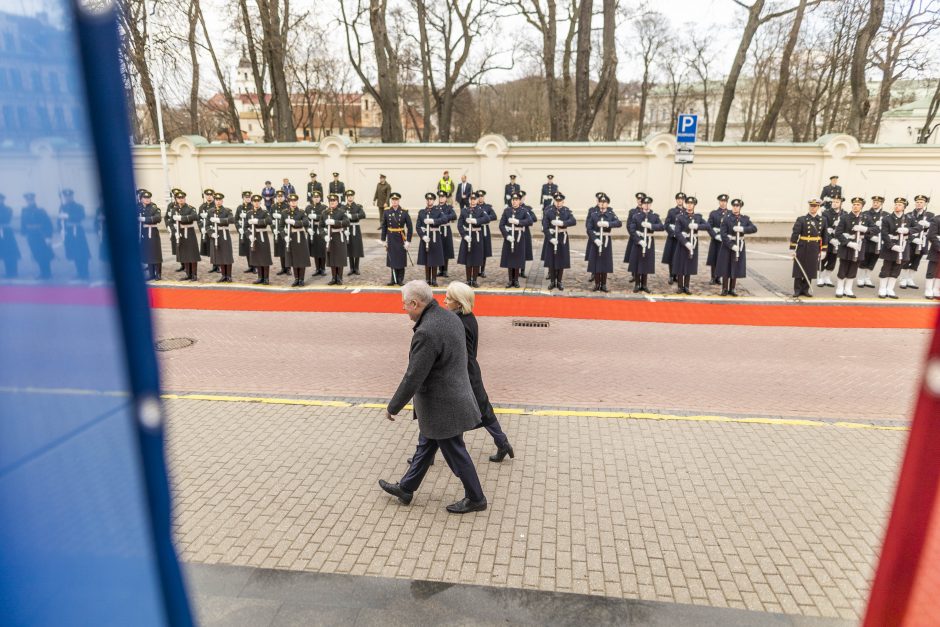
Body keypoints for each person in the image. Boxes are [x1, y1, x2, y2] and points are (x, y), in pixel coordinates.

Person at [378, 280, 488, 514]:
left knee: (455, 452)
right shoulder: (449, 317)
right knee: (427, 444)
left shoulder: (427, 332)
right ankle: (406, 488)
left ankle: (476, 497)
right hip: (454, 395)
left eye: (405, 305)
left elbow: (413, 376)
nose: (403, 309)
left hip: (443, 405)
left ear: (415, 303)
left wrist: (393, 406)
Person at [444, 282, 514, 462]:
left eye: (449, 298)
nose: (444, 301)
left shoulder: (457, 322)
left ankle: (502, 443)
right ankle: (502, 443)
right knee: (483, 408)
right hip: (470, 371)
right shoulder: (469, 317)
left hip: (463, 373)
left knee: (448, 411)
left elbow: (462, 353)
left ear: (459, 302)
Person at [831, 197, 873, 298]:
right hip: (846, 247)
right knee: (843, 268)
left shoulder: (866, 218)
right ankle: (840, 288)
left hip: (859, 247)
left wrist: (865, 229)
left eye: (858, 205)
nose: (855, 206)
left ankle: (848, 289)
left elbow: (875, 230)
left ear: (862, 206)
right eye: (854, 204)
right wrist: (848, 243)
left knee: (854, 268)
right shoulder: (845, 217)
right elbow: (838, 233)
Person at [716, 199, 757, 296]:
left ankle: (733, 288)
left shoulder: (745, 219)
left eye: (737, 206)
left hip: (739, 245)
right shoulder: (727, 218)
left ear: (740, 207)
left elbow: (754, 228)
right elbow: (723, 234)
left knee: (735, 266)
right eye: (734, 206)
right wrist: (731, 245)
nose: (735, 207)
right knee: (726, 267)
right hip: (728, 245)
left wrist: (743, 229)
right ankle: (725, 288)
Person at [789, 198, 826, 298]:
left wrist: (824, 250)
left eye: (814, 206)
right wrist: (792, 248)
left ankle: (805, 289)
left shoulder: (823, 220)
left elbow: (825, 236)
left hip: (814, 248)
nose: (812, 208)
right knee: (798, 269)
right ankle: (797, 290)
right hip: (802, 246)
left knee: (810, 269)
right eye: (811, 206)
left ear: (818, 207)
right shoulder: (801, 219)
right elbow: (795, 234)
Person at [627, 196, 664, 293]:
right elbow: (632, 229)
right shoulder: (636, 216)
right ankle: (637, 284)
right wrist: (638, 240)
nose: (647, 206)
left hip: (649, 241)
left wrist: (651, 226)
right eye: (645, 204)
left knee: (646, 263)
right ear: (642, 205)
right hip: (639, 242)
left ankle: (644, 284)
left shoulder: (654, 216)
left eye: (648, 204)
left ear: (650, 205)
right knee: (638, 262)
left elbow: (661, 227)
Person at [878, 197, 913, 299]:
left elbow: (918, 228)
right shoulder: (887, 218)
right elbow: (884, 234)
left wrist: (908, 230)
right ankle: (882, 288)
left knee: (897, 269)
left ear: (904, 207)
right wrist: (892, 246)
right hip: (890, 247)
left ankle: (890, 289)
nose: (897, 206)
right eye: (896, 204)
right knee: (886, 268)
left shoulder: (909, 218)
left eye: (900, 205)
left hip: (903, 247)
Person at [672, 196, 707, 295]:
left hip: (693, 243)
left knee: (689, 264)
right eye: (688, 203)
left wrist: (697, 226)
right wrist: (685, 243)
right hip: (683, 243)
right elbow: (677, 232)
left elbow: (707, 226)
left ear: (694, 205)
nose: (689, 205)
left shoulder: (698, 217)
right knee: (680, 265)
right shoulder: (680, 217)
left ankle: (686, 287)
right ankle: (680, 286)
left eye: (691, 204)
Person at [586, 193, 621, 292]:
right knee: (596, 262)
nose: (602, 204)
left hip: (606, 240)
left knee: (605, 262)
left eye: (604, 202)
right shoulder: (594, 215)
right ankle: (597, 284)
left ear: (607, 204)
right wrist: (595, 239)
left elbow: (619, 223)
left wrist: (608, 223)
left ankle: (604, 284)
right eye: (601, 202)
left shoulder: (610, 214)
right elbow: (589, 229)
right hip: (596, 240)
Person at [542, 192, 576, 290]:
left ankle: (559, 281)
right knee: (552, 260)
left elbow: (573, 221)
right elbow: (545, 227)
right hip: (552, 237)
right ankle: (553, 281)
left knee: (561, 260)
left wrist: (563, 223)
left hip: (562, 238)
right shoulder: (548, 211)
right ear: (554, 201)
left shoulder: (566, 211)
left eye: (560, 201)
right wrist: (550, 238)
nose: (558, 203)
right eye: (556, 201)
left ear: (563, 202)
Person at [457, 191, 490, 287]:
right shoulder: (464, 211)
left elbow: (487, 218)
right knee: (468, 259)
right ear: (469, 200)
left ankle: (474, 280)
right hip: (467, 236)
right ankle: (468, 280)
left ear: (477, 200)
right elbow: (459, 225)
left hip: (477, 237)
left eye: (474, 199)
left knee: (476, 258)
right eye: (471, 199)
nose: (473, 201)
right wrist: (464, 235)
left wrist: (476, 220)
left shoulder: (480, 210)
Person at [499, 192, 533, 288]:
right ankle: (510, 280)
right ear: (511, 201)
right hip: (509, 237)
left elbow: (530, 221)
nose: (514, 202)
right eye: (513, 200)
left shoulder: (523, 210)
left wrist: (519, 222)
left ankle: (516, 280)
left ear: (519, 201)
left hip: (519, 238)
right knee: (510, 258)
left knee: (517, 258)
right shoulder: (507, 211)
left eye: (516, 200)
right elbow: (501, 225)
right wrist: (507, 236)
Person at [57, 188, 91, 280]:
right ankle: (79, 272)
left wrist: (68, 216)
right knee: (74, 253)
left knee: (82, 253)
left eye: (69, 196)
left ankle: (85, 272)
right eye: (66, 196)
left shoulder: (79, 206)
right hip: (68, 233)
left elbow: (81, 216)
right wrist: (60, 230)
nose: (68, 198)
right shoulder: (62, 207)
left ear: (72, 196)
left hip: (77, 231)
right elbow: (59, 220)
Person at [901, 194, 933, 289]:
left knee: (916, 261)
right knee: (906, 259)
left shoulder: (930, 215)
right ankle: (903, 279)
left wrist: (928, 225)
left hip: (922, 241)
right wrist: (913, 239)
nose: (919, 204)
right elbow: (905, 229)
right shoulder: (909, 215)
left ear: (925, 204)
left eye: (921, 202)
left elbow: (934, 228)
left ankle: (910, 279)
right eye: (917, 202)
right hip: (910, 242)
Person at [381, 192, 412, 286]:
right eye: (393, 200)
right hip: (391, 237)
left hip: (401, 237)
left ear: (399, 201)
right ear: (391, 201)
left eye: (396, 200)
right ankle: (393, 279)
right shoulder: (387, 211)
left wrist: (408, 241)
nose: (394, 201)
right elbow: (384, 226)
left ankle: (400, 279)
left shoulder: (404, 211)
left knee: (401, 258)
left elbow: (410, 227)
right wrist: (383, 240)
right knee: (392, 258)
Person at [21, 193, 54, 280]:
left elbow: (48, 224)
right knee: (36, 254)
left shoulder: (41, 210)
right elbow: (23, 223)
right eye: (28, 200)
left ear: (34, 200)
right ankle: (42, 272)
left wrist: (48, 237)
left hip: (40, 235)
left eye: (31, 200)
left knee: (44, 254)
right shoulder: (24, 211)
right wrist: (24, 232)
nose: (29, 202)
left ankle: (47, 272)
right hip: (31, 236)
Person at [417, 192, 447, 286]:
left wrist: (433, 221)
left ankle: (433, 279)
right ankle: (427, 279)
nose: (429, 201)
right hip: (426, 237)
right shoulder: (422, 212)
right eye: (427, 199)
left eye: (431, 199)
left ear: (434, 201)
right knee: (426, 260)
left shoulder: (438, 211)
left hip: (435, 237)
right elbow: (418, 226)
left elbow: (444, 219)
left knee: (434, 259)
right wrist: (423, 236)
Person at [171, 190, 201, 281]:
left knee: (192, 254)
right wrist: (174, 231)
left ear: (185, 198)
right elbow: (171, 222)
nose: (181, 200)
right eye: (179, 198)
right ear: (176, 199)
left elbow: (195, 216)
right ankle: (188, 274)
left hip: (190, 233)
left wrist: (182, 218)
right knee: (184, 254)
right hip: (180, 233)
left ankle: (194, 275)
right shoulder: (174, 209)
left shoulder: (190, 208)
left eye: (182, 198)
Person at [858, 195, 886, 288]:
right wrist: (870, 237)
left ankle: (867, 278)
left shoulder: (885, 215)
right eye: (874, 202)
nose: (875, 204)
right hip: (867, 240)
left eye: (877, 202)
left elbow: (887, 229)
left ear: (881, 204)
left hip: (878, 242)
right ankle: (861, 278)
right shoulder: (865, 213)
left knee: (873, 260)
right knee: (864, 260)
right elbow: (862, 228)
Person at [322, 193, 350, 285]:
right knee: (332, 258)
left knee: (340, 258)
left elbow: (347, 222)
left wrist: (335, 222)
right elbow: (320, 227)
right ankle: (334, 277)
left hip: (339, 236)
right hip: (329, 237)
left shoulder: (341, 212)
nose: (332, 202)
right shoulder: (324, 212)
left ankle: (340, 277)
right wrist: (324, 235)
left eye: (334, 201)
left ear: (337, 202)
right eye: (331, 201)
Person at [284, 193, 311, 286]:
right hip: (290, 238)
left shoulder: (301, 212)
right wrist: (284, 236)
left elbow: (306, 222)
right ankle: (296, 278)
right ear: (289, 202)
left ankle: (302, 279)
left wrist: (294, 222)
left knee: (301, 258)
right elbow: (280, 227)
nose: (293, 202)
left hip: (300, 237)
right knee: (294, 258)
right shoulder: (284, 212)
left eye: (295, 201)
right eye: (292, 201)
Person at [208, 192, 235, 283]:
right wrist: (211, 233)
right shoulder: (210, 211)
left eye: (220, 200)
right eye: (216, 200)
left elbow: (232, 220)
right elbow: (207, 225)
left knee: (227, 255)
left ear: (222, 201)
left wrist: (219, 220)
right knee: (220, 256)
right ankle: (223, 275)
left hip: (224, 235)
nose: (218, 201)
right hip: (215, 235)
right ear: (214, 200)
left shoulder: (227, 210)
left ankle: (229, 276)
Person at [246, 194, 273, 285]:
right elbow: (246, 226)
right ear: (252, 202)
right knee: (257, 257)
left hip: (262, 237)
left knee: (264, 257)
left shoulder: (264, 212)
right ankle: (260, 277)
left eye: (258, 201)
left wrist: (258, 221)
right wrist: (249, 235)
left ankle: (266, 278)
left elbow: (269, 221)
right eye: (254, 201)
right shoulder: (249, 213)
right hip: (254, 236)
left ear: (260, 202)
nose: (256, 203)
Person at [819, 194, 844, 287]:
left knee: (833, 260)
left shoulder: (844, 214)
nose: (834, 203)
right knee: (823, 259)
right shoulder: (826, 213)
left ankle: (827, 277)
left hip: (838, 241)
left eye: (837, 202)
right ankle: (820, 277)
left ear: (841, 203)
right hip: (828, 240)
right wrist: (830, 238)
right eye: (833, 201)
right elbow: (824, 229)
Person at [661, 192, 686, 285]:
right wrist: (673, 233)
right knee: (671, 257)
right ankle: (671, 275)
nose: (680, 200)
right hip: (673, 238)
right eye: (678, 199)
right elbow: (666, 224)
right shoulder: (671, 211)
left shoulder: (686, 211)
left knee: (680, 257)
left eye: (682, 199)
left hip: (682, 239)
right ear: (676, 200)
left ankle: (677, 275)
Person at [137, 191, 162, 281]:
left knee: (156, 253)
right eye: (145, 198)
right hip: (143, 233)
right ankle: (151, 274)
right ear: (141, 199)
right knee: (148, 253)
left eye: (148, 198)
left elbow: (158, 218)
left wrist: (145, 219)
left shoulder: (154, 207)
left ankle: (158, 274)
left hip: (153, 232)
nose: (147, 199)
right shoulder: (138, 208)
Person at [705, 194, 730, 285]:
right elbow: (709, 226)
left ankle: (719, 277)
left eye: (724, 201)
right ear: (719, 202)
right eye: (721, 201)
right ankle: (713, 277)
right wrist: (715, 235)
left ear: (727, 202)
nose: (723, 203)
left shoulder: (730, 213)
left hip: (725, 241)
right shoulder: (714, 213)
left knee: (723, 259)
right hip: (716, 240)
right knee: (714, 259)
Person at [0, 192, 21, 278]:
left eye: (1, 199)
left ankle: (12, 271)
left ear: (3, 200)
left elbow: (5, 217)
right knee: (3, 252)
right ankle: (9, 271)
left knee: (10, 252)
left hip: (6, 232)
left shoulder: (8, 209)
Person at [345, 190, 366, 275]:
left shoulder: (358, 207)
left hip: (356, 228)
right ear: (347, 197)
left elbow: (363, 215)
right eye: (348, 196)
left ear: (353, 197)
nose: (350, 197)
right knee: (349, 247)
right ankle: (351, 268)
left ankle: (356, 267)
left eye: (351, 196)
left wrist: (352, 216)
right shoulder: (343, 207)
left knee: (357, 247)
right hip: (348, 228)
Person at [437, 191, 457, 278]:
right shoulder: (435, 207)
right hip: (437, 230)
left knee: (446, 250)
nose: (441, 198)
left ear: (446, 198)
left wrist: (445, 218)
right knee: (438, 249)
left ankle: (445, 270)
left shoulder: (448, 207)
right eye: (440, 197)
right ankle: (440, 270)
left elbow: (454, 215)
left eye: (443, 197)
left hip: (446, 230)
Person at [307, 191, 327, 276]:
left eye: (318, 197)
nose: (316, 198)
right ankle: (317, 268)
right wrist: (308, 229)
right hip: (313, 229)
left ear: (320, 198)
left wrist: (316, 217)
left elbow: (325, 217)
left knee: (322, 248)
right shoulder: (308, 207)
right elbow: (305, 219)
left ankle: (322, 268)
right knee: (315, 249)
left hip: (321, 229)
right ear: (312, 198)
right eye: (314, 197)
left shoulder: (324, 207)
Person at [235, 191, 255, 274]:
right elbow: (235, 219)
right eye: (246, 197)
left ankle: (255, 266)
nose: (248, 198)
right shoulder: (239, 208)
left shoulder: (253, 206)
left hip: (251, 231)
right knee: (246, 249)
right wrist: (239, 228)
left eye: (249, 197)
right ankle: (250, 266)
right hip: (242, 232)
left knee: (253, 249)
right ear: (243, 198)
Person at [478, 190, 496, 278]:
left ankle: (482, 270)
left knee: (484, 250)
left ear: (484, 197)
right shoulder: (474, 206)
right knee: (477, 249)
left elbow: (494, 216)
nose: (480, 198)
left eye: (482, 196)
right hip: (476, 229)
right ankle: (476, 269)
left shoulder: (487, 207)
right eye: (479, 196)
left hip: (484, 229)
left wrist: (485, 218)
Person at [272, 190, 290, 275]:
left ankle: (288, 268)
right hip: (277, 232)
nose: (279, 198)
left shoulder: (287, 206)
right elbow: (271, 219)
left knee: (287, 249)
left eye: (281, 196)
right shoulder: (273, 206)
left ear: (284, 197)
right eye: (278, 196)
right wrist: (273, 229)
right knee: (280, 250)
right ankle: (283, 268)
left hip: (285, 231)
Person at [925, 214, 940, 299]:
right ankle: (928, 289)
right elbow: (931, 235)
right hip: (936, 248)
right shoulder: (936, 219)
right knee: (932, 269)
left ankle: (936, 289)